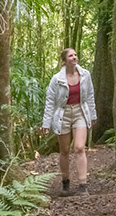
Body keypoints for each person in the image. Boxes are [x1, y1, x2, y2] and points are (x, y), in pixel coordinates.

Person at [41, 48, 97, 195]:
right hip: (62, 114)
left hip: (80, 112)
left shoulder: (85, 75)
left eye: (75, 55)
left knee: (79, 147)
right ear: (64, 61)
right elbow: (50, 101)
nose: (74, 57)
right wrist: (46, 124)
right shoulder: (56, 79)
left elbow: (90, 95)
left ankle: (83, 185)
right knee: (64, 150)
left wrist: (93, 115)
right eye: (70, 56)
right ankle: (65, 182)